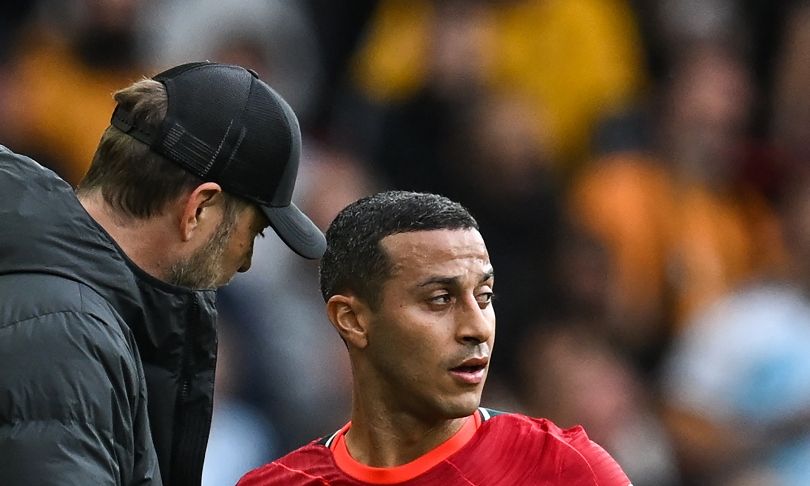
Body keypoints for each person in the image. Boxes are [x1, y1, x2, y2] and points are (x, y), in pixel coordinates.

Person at [0, 61, 325, 485]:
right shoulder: (67, 332)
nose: (245, 261)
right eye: (256, 233)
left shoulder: (67, 304)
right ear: (199, 209)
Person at [238, 191, 631, 485]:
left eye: (484, 297)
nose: (476, 327)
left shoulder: (565, 470)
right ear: (353, 319)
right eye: (440, 299)